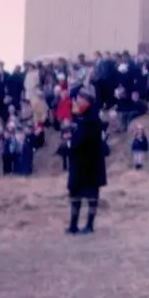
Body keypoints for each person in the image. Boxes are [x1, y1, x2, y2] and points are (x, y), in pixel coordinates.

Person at [67, 87, 108, 235]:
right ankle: (73, 225)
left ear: (86, 100)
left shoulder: (92, 118)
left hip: (90, 164)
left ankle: (89, 225)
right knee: (75, 194)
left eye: (79, 98)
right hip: (78, 163)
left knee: (91, 195)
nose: (76, 101)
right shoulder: (78, 115)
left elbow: (82, 138)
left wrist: (70, 144)